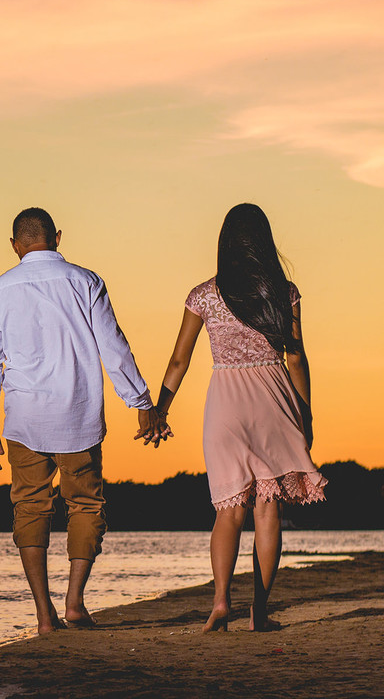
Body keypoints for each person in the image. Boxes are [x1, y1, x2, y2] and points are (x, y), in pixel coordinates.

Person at [0, 207, 159, 634]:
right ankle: (74, 603)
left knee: (30, 508)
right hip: (78, 416)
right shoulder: (86, 281)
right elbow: (114, 347)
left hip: (25, 420)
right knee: (85, 505)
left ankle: (42, 614)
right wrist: (141, 403)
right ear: (57, 237)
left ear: (15, 244)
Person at [143, 203, 327, 632]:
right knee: (268, 509)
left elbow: (178, 361)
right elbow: (295, 358)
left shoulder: (204, 294)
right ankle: (259, 611)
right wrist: (305, 412)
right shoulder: (283, 292)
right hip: (273, 400)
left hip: (224, 403)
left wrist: (158, 412)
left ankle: (221, 602)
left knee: (228, 510)